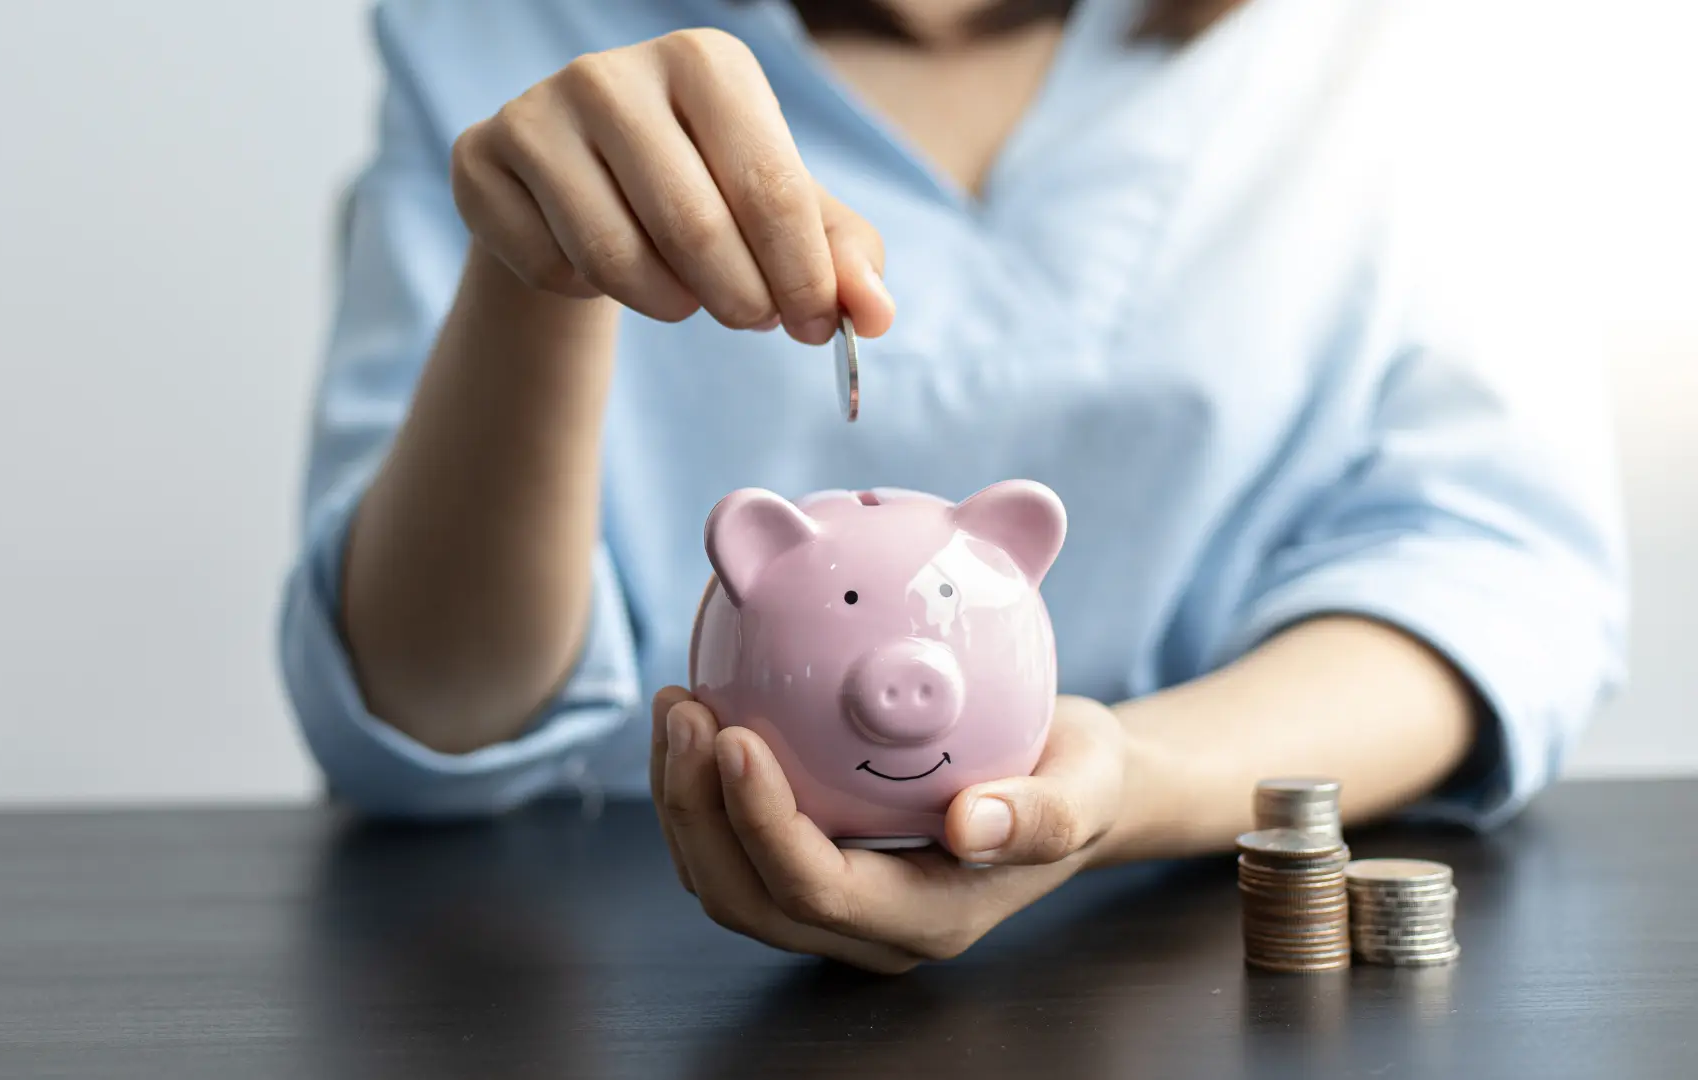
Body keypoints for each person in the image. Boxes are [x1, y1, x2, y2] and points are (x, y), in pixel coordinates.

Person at [277, 0, 1626, 973]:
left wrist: (1125, 785)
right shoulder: (493, 28)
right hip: (606, 960)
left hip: (1188, 952)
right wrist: (539, 278)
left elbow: (1489, 572)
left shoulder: (1393, 41)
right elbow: (424, 712)